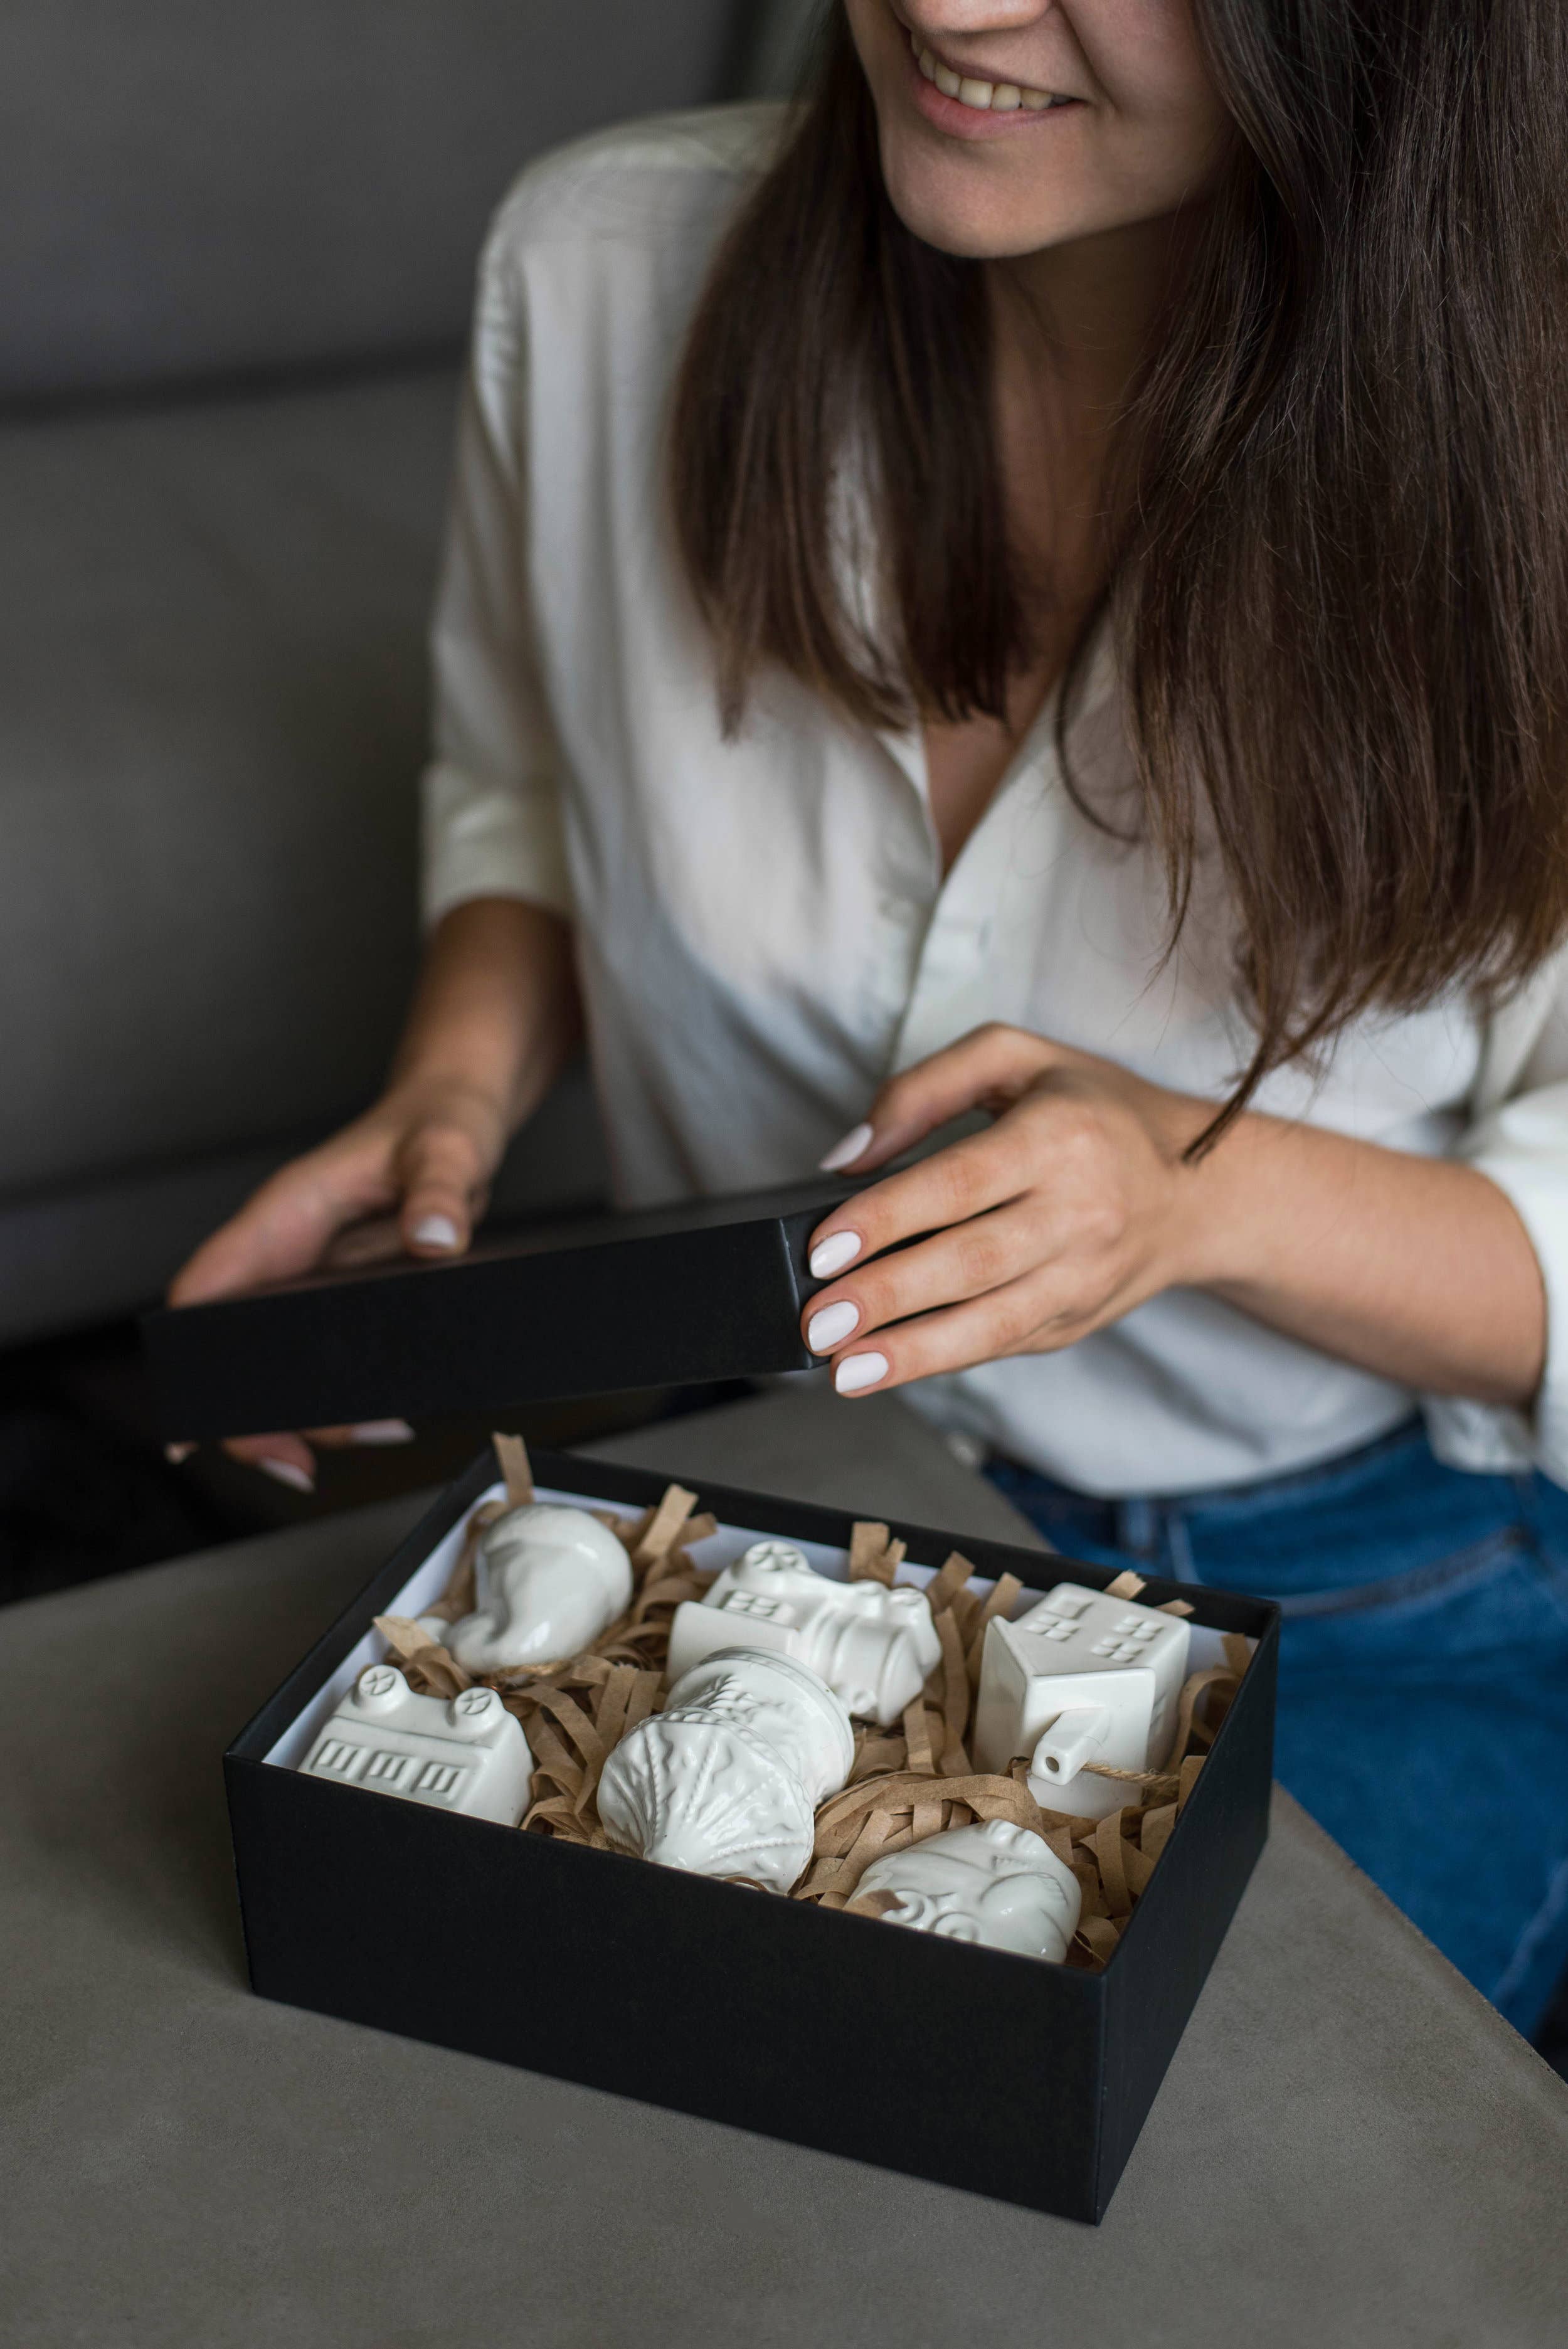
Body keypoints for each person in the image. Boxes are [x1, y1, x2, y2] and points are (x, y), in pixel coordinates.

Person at [171, 1, 1568, 2038]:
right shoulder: (597, 268)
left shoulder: (1524, 446)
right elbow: (529, 791)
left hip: (1347, 1593)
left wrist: (1192, 1200)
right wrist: (452, 1087)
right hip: (750, 1484)